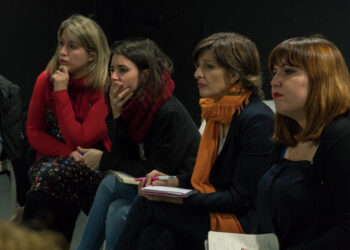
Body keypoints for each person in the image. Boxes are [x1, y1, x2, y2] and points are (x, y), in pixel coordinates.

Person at [115, 32, 275, 250]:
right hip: (211, 210)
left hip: (239, 222)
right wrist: (172, 182)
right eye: (198, 66)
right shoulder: (217, 112)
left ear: (235, 74)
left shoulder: (256, 119)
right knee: (154, 236)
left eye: (208, 67)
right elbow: (208, 178)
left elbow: (241, 199)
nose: (197, 74)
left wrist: (180, 199)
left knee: (147, 205)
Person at [76, 38, 200, 250]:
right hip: (149, 187)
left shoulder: (167, 112)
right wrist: (116, 115)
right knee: (117, 211)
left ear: (144, 75)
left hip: (179, 192)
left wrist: (105, 160)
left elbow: (157, 172)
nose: (113, 77)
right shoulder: (133, 105)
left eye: (122, 70)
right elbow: (125, 156)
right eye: (112, 69)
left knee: (108, 185)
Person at [253, 36, 350, 249]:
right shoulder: (290, 133)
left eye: (288, 71)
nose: (274, 81)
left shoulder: (342, 135)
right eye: (274, 72)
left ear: (321, 78)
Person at [21, 14, 111, 241]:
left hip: (92, 163)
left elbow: (80, 140)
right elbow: (33, 131)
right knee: (51, 178)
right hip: (51, 159)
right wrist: (64, 153)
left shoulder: (103, 88)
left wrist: (61, 92)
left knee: (54, 180)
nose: (62, 52)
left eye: (72, 47)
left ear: (92, 55)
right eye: (61, 44)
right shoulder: (46, 78)